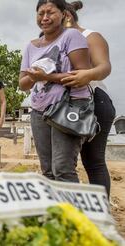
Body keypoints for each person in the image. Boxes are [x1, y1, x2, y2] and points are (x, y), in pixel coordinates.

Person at [19, 0, 91, 182]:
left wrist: (47, 77)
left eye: (50, 12)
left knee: (63, 169)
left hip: (69, 107)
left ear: (63, 14)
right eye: (40, 13)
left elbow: (82, 76)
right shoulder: (30, 46)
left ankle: (72, 210)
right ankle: (55, 210)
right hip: (39, 111)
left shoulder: (72, 36)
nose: (45, 18)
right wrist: (34, 77)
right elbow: (23, 84)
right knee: (48, 171)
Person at [61, 1, 115, 195]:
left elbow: (104, 67)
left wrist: (88, 75)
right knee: (64, 163)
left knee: (93, 162)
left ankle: (100, 216)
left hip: (95, 101)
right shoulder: (57, 41)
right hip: (68, 105)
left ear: (66, 16)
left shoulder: (90, 36)